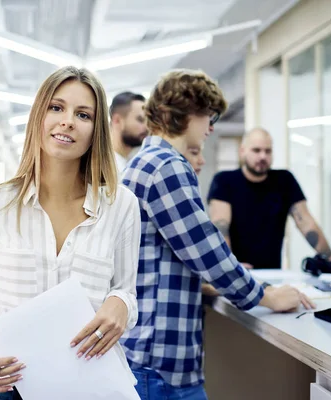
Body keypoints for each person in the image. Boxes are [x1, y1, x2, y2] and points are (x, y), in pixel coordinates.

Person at [120, 69, 315, 400]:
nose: (210, 128)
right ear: (180, 115)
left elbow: (173, 256)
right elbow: (209, 254)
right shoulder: (166, 166)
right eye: (207, 116)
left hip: (153, 358)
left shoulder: (146, 162)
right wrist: (269, 297)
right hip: (162, 364)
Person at [0, 66, 142, 400]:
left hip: (93, 385)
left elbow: (126, 290)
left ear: (95, 131)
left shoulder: (121, 206)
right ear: (38, 117)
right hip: (13, 387)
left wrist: (121, 304)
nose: (67, 121)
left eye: (83, 114)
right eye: (56, 108)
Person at [207, 127, 331, 270]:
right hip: (238, 273)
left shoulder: (284, 180)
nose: (263, 156)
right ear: (242, 151)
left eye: (268, 151)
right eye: (256, 150)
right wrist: (229, 266)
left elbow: (307, 224)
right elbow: (220, 226)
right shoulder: (224, 180)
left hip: (273, 273)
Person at [109, 91, 148, 176]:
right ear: (117, 120)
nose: (146, 127)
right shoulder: (104, 166)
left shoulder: (130, 162)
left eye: (148, 121)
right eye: (140, 120)